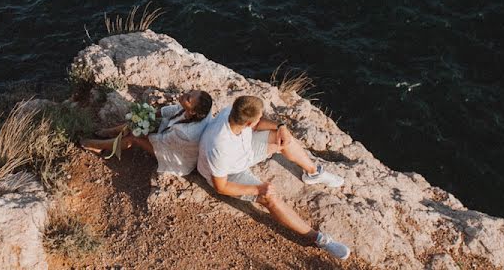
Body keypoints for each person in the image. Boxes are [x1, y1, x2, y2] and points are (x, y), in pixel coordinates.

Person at [197, 95, 351, 260]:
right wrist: (258, 189)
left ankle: (313, 173)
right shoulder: (219, 146)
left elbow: (258, 125)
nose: (261, 118)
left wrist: (281, 126)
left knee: (283, 139)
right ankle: (318, 238)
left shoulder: (233, 112)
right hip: (231, 173)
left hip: (244, 153)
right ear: (248, 123)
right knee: (270, 197)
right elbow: (221, 186)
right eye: (258, 118)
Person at [82, 90, 214, 175]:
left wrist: (139, 131)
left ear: (192, 111)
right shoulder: (199, 110)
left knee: (134, 137)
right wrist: (147, 115)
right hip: (170, 139)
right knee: (137, 122)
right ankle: (111, 132)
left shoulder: (186, 134)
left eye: (188, 98)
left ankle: (95, 145)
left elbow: (161, 141)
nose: (185, 94)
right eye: (190, 92)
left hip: (175, 157)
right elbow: (173, 109)